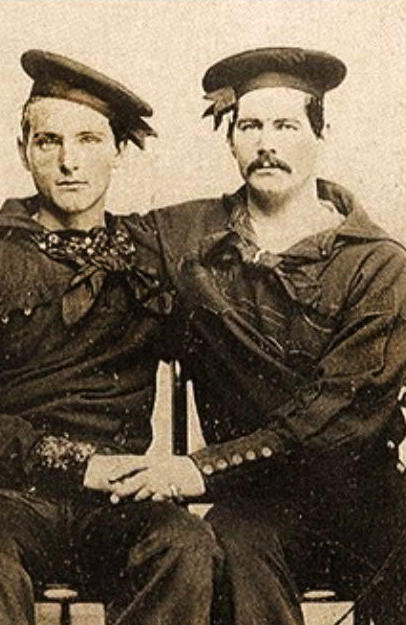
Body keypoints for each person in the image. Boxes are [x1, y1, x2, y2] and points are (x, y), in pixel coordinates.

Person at [0, 49, 220, 625]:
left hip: (116, 501)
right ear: (23, 151)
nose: (68, 162)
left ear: (118, 151)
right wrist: (79, 464)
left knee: (185, 546)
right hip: (0, 500)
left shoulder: (150, 256)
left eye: (88, 139)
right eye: (48, 141)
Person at [111, 47, 406, 624]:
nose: (267, 143)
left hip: (365, 498)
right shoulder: (183, 237)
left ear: (321, 135)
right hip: (255, 504)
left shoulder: (379, 265)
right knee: (234, 546)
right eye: (250, 126)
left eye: (286, 126)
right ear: (230, 139)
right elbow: (90, 246)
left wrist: (199, 469)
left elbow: (339, 418)